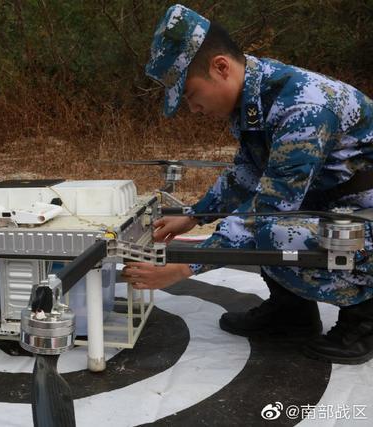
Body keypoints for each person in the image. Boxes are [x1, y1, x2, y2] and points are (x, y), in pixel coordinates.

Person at [122, 4, 373, 364]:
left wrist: (184, 268)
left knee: (273, 232)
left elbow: (268, 210)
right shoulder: (258, 98)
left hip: (362, 215)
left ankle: (364, 319)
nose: (192, 109)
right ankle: (292, 314)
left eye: (191, 94)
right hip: (336, 205)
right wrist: (193, 216)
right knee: (255, 226)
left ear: (220, 67)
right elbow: (246, 174)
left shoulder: (302, 106)